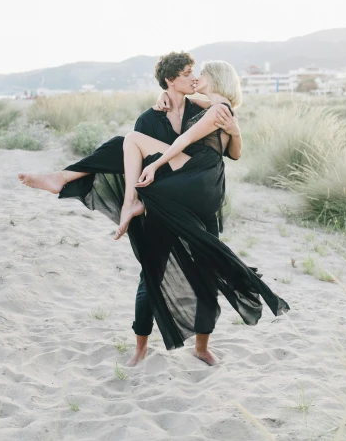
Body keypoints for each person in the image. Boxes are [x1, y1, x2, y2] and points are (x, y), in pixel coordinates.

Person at [19, 58, 289, 360]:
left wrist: (235, 131)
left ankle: (202, 348)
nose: (195, 78)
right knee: (150, 277)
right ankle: (141, 349)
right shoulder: (150, 118)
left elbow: (230, 152)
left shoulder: (203, 108)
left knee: (206, 277)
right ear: (171, 81)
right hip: (163, 205)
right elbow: (133, 160)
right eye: (188, 74)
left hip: (195, 198)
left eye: (197, 74)